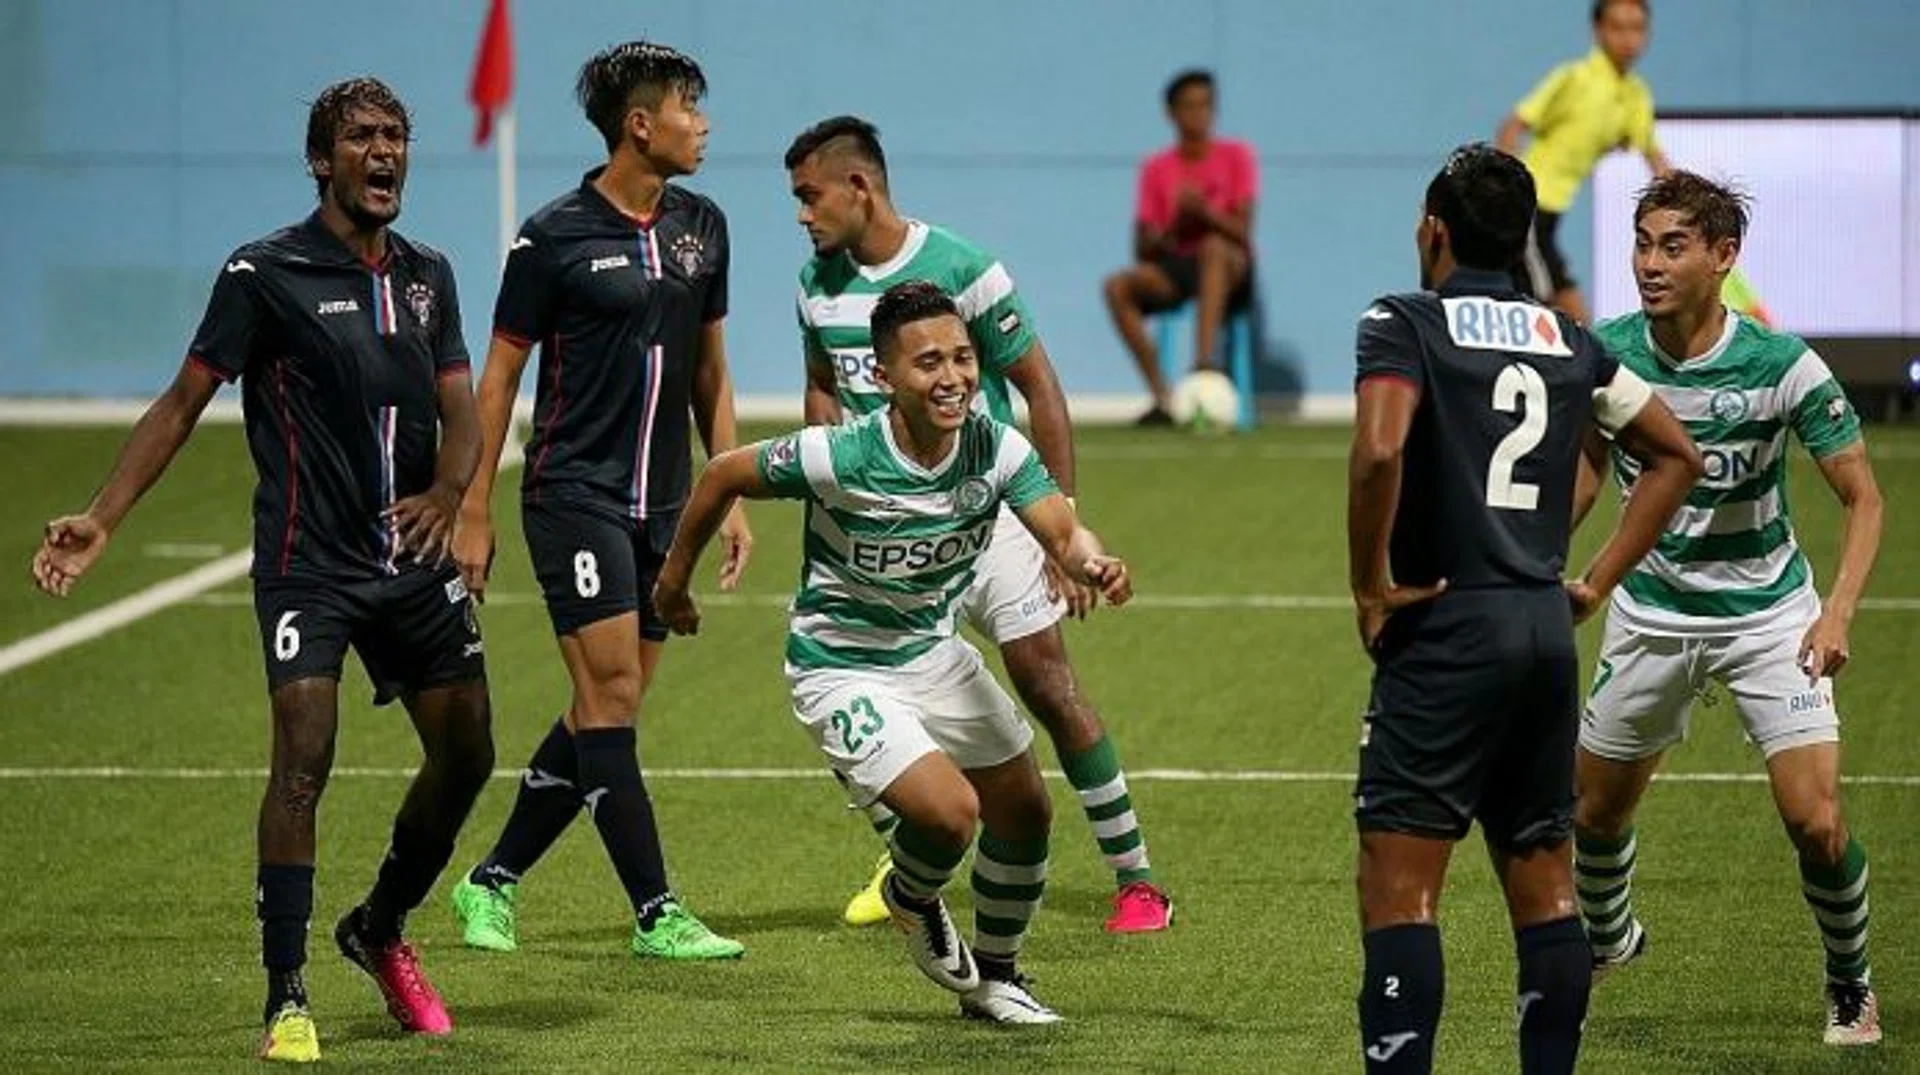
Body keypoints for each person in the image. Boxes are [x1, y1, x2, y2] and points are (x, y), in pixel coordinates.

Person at [30, 78, 494, 1062]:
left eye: (397, 136)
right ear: (322, 160)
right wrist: (104, 517)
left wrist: (453, 495)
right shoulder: (264, 272)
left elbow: (462, 409)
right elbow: (180, 401)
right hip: (308, 566)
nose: (384, 152)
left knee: (469, 754)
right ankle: (287, 993)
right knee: (304, 756)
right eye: (362, 137)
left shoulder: (428, 275)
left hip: (410, 556)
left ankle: (378, 926)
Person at [654, 280, 1133, 1024]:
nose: (952, 378)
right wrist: (672, 584)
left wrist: (1092, 561)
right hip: (838, 665)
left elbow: (1063, 532)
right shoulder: (840, 455)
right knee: (950, 815)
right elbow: (723, 473)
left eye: (964, 358)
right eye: (928, 363)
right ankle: (910, 897)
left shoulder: (996, 446)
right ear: (884, 378)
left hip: (931, 653)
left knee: (1027, 810)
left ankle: (996, 979)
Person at [1347, 143, 1701, 1074]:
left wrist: (1368, 585)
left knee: (1400, 889)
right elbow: (1675, 455)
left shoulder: (1404, 321)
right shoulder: (1572, 340)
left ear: (1432, 230)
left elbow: (1381, 449)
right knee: (1545, 889)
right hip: (1545, 631)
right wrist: (1597, 579)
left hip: (1444, 630)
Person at [786, 115, 1171, 933]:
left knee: (1044, 680)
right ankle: (907, 855)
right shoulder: (815, 285)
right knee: (870, 683)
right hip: (885, 530)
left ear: (860, 187)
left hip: (984, 511)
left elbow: (1041, 388)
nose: (802, 214)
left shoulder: (963, 268)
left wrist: (1060, 532)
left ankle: (1136, 880)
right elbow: (821, 390)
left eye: (809, 195)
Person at [447, 41, 748, 962]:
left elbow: (711, 371)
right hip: (574, 494)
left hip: (665, 506)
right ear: (639, 124)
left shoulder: (704, 225)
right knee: (611, 693)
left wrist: (728, 486)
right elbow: (497, 379)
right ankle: (657, 908)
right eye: (688, 107)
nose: (703, 124)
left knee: (602, 711)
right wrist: (472, 507)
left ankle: (489, 880)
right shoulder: (552, 236)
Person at [1572, 172, 1885, 1047]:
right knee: (1593, 813)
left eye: (1674, 245)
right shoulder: (1610, 352)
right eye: (1642, 243)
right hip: (1652, 611)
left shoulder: (1783, 365)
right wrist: (1535, 558)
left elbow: (1865, 499)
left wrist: (1838, 615)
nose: (1651, 263)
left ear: (1723, 256)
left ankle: (1849, 980)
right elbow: (1590, 470)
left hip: (1768, 619)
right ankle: (1610, 940)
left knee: (1815, 822)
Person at [1497, 0, 1671, 323]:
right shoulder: (1573, 79)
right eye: (1617, 28)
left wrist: (1689, 207)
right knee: (1548, 308)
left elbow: (1654, 157)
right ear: (1598, 31)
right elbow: (1513, 126)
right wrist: (1507, 192)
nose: (1628, 39)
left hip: (1550, 217)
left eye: (1637, 28)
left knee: (1568, 314)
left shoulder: (1636, 95)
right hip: (1527, 210)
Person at [1102, 69, 1258, 425]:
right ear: (1171, 114)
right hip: (1176, 265)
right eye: (1189, 106)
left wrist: (1204, 212)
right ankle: (1165, 397)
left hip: (1231, 268)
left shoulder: (1237, 156)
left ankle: (1202, 369)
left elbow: (1243, 232)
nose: (1199, 114)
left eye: (1206, 105)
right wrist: (1177, 221)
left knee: (1214, 249)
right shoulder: (1156, 168)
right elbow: (1142, 249)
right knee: (1117, 286)